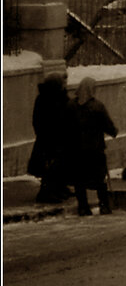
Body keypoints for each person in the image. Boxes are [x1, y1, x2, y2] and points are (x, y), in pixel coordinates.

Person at [69, 77, 118, 216]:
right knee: (99, 178)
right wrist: (114, 131)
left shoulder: (71, 106)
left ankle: (83, 207)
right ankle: (104, 206)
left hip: (76, 150)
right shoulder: (97, 106)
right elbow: (107, 125)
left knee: (79, 179)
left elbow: (65, 126)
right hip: (94, 149)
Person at [28, 70, 72, 204]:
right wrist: (45, 134)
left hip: (59, 138)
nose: (64, 85)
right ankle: (46, 193)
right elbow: (39, 120)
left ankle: (58, 188)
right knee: (50, 166)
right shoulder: (45, 99)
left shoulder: (59, 97)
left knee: (60, 164)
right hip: (49, 138)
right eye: (62, 83)